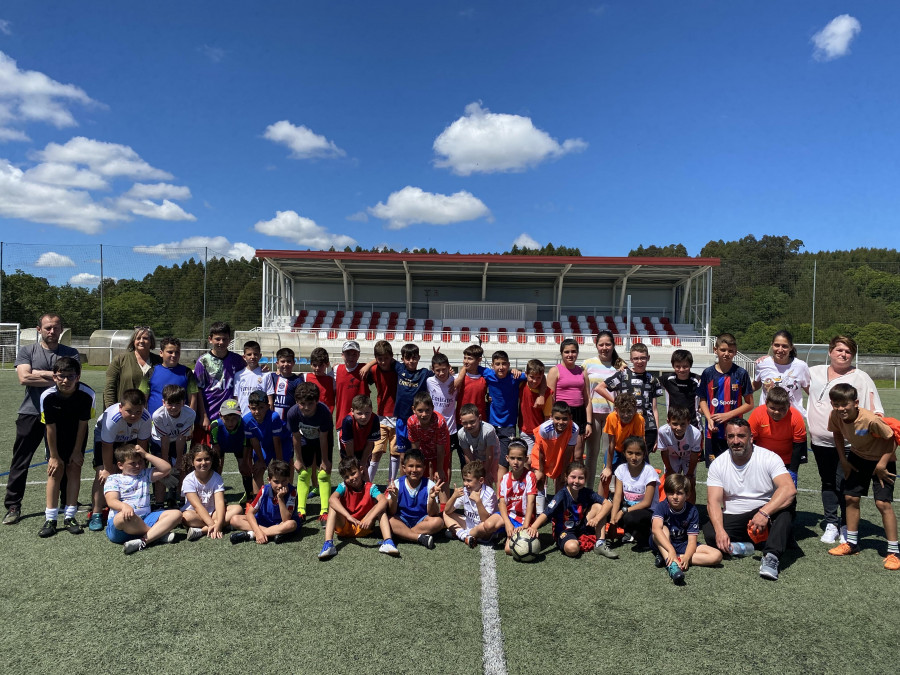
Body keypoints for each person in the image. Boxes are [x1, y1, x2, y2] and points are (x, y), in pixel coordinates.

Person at [4, 313, 80, 526]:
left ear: (61, 330)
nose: (52, 331)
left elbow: (71, 382)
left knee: (62, 459)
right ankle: (13, 505)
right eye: (47, 327)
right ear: (39, 329)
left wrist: (40, 374)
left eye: (56, 328)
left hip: (62, 415)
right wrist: (57, 375)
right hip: (30, 413)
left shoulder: (71, 353)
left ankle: (67, 503)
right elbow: (24, 378)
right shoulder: (27, 351)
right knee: (21, 460)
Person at [807, 335, 884, 544]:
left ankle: (845, 525)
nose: (843, 354)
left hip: (850, 445)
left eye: (848, 351)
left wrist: (863, 435)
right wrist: (765, 362)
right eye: (839, 350)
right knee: (828, 482)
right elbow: (788, 374)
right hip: (820, 442)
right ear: (830, 351)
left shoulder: (861, 377)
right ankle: (831, 522)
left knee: (845, 484)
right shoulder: (813, 373)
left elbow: (876, 411)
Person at [702, 419, 797, 581]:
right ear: (726, 438)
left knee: (787, 505)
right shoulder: (718, 464)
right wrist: (720, 531)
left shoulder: (768, 457)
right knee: (711, 532)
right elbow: (713, 502)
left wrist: (764, 513)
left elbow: (789, 489)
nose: (736, 441)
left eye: (741, 436)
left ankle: (771, 556)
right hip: (736, 516)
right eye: (731, 436)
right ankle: (757, 543)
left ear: (751, 437)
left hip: (765, 513)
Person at [825, 384, 898, 570]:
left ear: (855, 403)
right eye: (836, 404)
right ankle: (851, 543)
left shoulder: (870, 419)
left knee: (883, 503)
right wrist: (844, 460)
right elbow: (837, 434)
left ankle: (894, 552)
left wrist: (881, 465)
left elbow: (893, 439)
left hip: (883, 461)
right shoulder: (835, 415)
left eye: (845, 404)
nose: (840, 408)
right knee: (850, 498)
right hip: (857, 458)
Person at [37, 356, 95, 537]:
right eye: (61, 376)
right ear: (54, 377)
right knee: (55, 473)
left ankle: (70, 516)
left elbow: (83, 424)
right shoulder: (47, 396)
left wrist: (78, 450)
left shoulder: (87, 394)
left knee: (74, 470)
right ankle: (51, 518)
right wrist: (53, 456)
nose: (65, 380)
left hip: (76, 438)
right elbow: (50, 428)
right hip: (55, 440)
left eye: (71, 376)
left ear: (78, 376)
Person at [88, 389, 153, 532]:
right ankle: (97, 513)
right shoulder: (112, 418)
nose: (134, 415)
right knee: (103, 474)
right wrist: (107, 469)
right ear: (120, 407)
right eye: (129, 411)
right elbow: (107, 446)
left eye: (138, 411)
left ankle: (134, 506)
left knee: (134, 471)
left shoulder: (146, 418)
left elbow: (142, 445)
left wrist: (140, 464)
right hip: (106, 440)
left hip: (130, 438)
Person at [526, 460, 615, 559]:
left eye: (580, 478)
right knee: (572, 549)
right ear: (566, 477)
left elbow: (608, 504)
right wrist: (534, 527)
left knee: (599, 507)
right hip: (564, 531)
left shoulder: (586, 492)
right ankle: (577, 540)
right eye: (573, 477)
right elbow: (547, 512)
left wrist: (597, 519)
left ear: (585, 479)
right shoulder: (561, 495)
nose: (576, 481)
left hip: (581, 525)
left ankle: (600, 543)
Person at [103, 444, 182, 555]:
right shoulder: (114, 478)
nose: (137, 466)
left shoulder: (145, 474)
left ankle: (144, 540)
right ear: (120, 465)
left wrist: (146, 454)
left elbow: (166, 469)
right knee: (122, 517)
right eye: (132, 463)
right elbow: (111, 501)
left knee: (177, 514)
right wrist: (124, 506)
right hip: (123, 526)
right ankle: (157, 534)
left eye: (140, 462)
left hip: (145, 518)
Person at [318, 457, 399, 559]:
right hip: (344, 526)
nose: (351, 478)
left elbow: (383, 500)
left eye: (353, 473)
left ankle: (388, 541)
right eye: (346, 476)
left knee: (380, 507)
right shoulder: (343, 486)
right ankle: (328, 544)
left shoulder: (370, 487)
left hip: (363, 526)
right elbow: (332, 499)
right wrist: (349, 517)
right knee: (333, 505)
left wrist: (370, 518)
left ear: (361, 470)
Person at [650, 473, 722, 583]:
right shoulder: (662, 506)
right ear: (666, 493)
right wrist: (671, 549)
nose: (674, 497)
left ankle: (674, 558)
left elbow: (692, 541)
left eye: (679, 493)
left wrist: (687, 557)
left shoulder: (692, 510)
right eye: (671, 493)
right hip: (663, 542)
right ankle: (672, 566)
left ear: (687, 495)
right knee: (662, 529)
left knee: (717, 556)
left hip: (683, 544)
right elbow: (655, 529)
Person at [595, 342, 663, 454]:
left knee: (643, 461)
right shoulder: (623, 374)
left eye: (643, 358)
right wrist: (618, 403)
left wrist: (657, 434)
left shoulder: (652, 380)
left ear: (648, 358)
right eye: (636, 358)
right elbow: (599, 388)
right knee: (624, 459)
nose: (639, 361)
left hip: (647, 427)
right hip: (625, 424)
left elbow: (654, 409)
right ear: (631, 359)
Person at [698, 333, 754, 466]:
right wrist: (709, 418)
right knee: (714, 469)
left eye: (730, 351)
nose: (726, 353)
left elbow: (749, 404)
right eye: (723, 350)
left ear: (735, 352)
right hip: (713, 430)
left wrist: (727, 415)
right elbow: (702, 400)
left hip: (735, 431)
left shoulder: (741, 373)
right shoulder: (708, 373)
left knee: (736, 467)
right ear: (715, 350)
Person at [286, 382, 334, 523]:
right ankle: (301, 510)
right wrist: (298, 459)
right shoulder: (293, 413)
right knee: (303, 473)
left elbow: (324, 437)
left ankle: (324, 510)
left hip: (322, 441)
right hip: (305, 440)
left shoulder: (324, 412)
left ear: (317, 401)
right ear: (296, 402)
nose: (306, 407)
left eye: (310, 404)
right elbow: (295, 436)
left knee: (324, 474)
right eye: (302, 403)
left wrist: (324, 460)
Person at [194, 321, 247, 444]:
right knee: (207, 455)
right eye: (217, 339)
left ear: (229, 340)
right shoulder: (203, 362)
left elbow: (250, 374)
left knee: (236, 453)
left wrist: (262, 369)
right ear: (210, 339)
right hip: (210, 415)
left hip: (230, 417)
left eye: (225, 339)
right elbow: (198, 391)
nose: (221, 343)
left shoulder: (237, 360)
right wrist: (203, 416)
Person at [582, 331, 623, 489]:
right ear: (596, 345)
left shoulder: (620, 365)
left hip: (612, 416)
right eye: (601, 344)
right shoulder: (587, 364)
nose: (604, 348)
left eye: (608, 344)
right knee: (591, 454)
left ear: (613, 345)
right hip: (593, 415)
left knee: (610, 456)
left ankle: (608, 493)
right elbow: (584, 391)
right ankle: (588, 490)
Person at [230, 460, 300, 544]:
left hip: (281, 523)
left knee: (291, 524)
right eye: (276, 481)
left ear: (288, 479)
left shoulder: (292, 491)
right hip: (264, 522)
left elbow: (286, 519)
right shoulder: (264, 490)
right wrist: (258, 531)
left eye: (284, 481)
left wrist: (280, 498)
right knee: (234, 519)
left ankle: (251, 535)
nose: (280, 485)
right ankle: (273, 534)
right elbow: (250, 513)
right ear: (269, 480)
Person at [385, 450, 445, 549]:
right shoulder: (397, 484)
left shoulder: (430, 485)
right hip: (402, 519)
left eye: (418, 466)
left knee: (438, 522)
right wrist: (394, 498)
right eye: (411, 466)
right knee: (387, 519)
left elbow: (432, 514)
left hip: (421, 520)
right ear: (404, 468)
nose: (414, 469)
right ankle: (418, 537)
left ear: (424, 468)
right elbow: (392, 512)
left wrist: (432, 499)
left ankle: (403, 534)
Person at [547, 339, 593, 468]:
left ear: (577, 353)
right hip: (562, 415)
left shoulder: (582, 371)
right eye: (567, 352)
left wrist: (588, 422)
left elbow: (587, 398)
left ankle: (576, 486)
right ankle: (560, 486)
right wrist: (552, 418)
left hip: (579, 415)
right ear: (561, 353)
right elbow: (550, 397)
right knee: (562, 456)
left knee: (578, 456)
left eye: (573, 351)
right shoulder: (555, 371)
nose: (570, 355)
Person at [180, 445, 242, 540]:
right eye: (199, 460)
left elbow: (219, 502)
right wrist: (214, 524)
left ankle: (201, 530)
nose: (203, 463)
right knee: (185, 516)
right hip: (196, 514)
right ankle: (220, 526)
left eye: (207, 459)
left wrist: (218, 524)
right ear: (192, 462)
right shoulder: (188, 480)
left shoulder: (216, 477)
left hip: (214, 513)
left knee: (238, 509)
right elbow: (197, 506)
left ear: (212, 460)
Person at [748, 386, 806, 486]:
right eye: (772, 408)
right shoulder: (757, 414)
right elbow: (750, 441)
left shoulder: (796, 417)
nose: (777, 412)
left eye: (782, 409)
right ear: (766, 403)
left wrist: (793, 471)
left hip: (786, 461)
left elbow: (798, 446)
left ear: (789, 405)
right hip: (762, 459)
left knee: (788, 497)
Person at [149, 384, 197, 507]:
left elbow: (182, 437)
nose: (174, 407)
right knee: (162, 470)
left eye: (177, 403)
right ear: (163, 402)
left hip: (178, 440)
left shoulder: (190, 414)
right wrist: (165, 462)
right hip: (159, 441)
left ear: (183, 402)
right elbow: (164, 439)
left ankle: (181, 500)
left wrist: (180, 459)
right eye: (170, 404)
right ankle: (159, 503)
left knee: (182, 468)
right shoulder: (157, 415)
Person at [608, 436, 659, 547]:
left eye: (638, 454)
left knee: (629, 518)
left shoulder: (649, 471)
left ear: (644, 454)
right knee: (605, 510)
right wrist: (612, 520)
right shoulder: (621, 469)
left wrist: (622, 511)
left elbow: (647, 502)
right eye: (630, 453)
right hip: (627, 508)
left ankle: (646, 533)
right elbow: (617, 496)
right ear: (624, 453)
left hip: (647, 511)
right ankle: (629, 532)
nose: (634, 457)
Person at [444, 460, 504, 547]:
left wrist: (478, 501)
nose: (465, 484)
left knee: (483, 526)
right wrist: (453, 497)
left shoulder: (489, 493)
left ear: (481, 480)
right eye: (464, 480)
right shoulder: (464, 491)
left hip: (484, 531)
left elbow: (486, 520)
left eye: (469, 480)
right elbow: (448, 511)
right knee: (445, 514)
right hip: (469, 525)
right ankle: (465, 536)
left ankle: (461, 534)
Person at [139, 336, 199, 421]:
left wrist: (189, 421)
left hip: (179, 425)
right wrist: (144, 420)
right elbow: (143, 398)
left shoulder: (187, 372)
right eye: (170, 352)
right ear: (161, 353)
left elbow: (193, 399)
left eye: (177, 352)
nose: (174, 355)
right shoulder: (151, 372)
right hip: (155, 423)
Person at [753, 330, 811, 417]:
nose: (780, 349)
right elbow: (755, 385)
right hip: (767, 416)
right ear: (772, 345)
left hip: (792, 417)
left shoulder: (801, 366)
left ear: (791, 347)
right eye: (777, 345)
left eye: (784, 346)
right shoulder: (762, 364)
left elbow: (810, 391)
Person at [364, 340, 399, 483]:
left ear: (391, 357)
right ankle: (368, 484)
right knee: (376, 452)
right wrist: (370, 364)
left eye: (386, 358)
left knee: (395, 453)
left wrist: (371, 362)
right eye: (380, 359)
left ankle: (391, 483)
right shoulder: (373, 371)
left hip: (399, 417)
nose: (383, 362)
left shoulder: (398, 369)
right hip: (381, 417)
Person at [104, 325, 162, 409]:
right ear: (133, 341)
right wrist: (111, 409)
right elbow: (109, 388)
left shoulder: (159, 361)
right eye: (138, 338)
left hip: (152, 412)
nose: (141, 341)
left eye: (145, 338)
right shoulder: (120, 360)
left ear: (151, 341)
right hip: (126, 412)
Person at [498, 439, 538, 556]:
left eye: (520, 459)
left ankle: (506, 534)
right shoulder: (505, 478)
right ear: (507, 458)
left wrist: (526, 525)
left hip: (522, 519)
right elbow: (502, 503)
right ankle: (498, 533)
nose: (516, 462)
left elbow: (530, 502)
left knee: (508, 550)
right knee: (488, 525)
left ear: (526, 459)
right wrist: (507, 523)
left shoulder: (530, 476)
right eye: (512, 458)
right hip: (509, 516)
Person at [599, 393, 644, 495]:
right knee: (605, 476)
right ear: (616, 410)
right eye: (622, 411)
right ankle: (600, 503)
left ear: (635, 410)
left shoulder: (639, 419)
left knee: (636, 475)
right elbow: (611, 444)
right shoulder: (611, 418)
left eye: (629, 411)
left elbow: (638, 446)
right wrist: (608, 468)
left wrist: (634, 463)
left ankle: (629, 500)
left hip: (633, 450)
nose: (626, 415)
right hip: (616, 449)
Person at [530, 402, 579, 496]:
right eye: (557, 418)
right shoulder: (545, 428)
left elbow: (568, 452)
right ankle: (539, 507)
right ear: (551, 417)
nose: (561, 422)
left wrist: (564, 472)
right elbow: (541, 450)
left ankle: (557, 506)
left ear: (570, 417)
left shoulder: (574, 428)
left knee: (562, 480)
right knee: (539, 479)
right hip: (543, 454)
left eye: (565, 419)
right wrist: (541, 470)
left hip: (560, 455)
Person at [210, 398, 254, 502]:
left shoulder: (244, 425)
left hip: (239, 446)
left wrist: (244, 463)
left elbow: (246, 445)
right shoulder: (215, 425)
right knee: (217, 469)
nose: (230, 422)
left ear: (240, 416)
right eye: (227, 419)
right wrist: (218, 461)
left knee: (245, 469)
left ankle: (249, 495)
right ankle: (215, 494)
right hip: (221, 446)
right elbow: (215, 446)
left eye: (234, 419)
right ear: (220, 416)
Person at [406, 391, 450, 494]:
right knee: (419, 476)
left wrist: (439, 469)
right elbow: (415, 448)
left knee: (441, 479)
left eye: (427, 410)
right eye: (420, 411)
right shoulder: (411, 422)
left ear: (432, 409)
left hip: (440, 449)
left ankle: (444, 506)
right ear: (414, 410)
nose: (424, 414)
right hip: (423, 448)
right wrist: (416, 465)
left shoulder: (440, 422)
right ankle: (421, 500)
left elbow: (440, 448)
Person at [657, 405, 702, 502]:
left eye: (683, 424)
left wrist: (690, 474)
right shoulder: (662, 431)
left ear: (688, 422)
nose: (679, 428)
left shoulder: (696, 433)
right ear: (668, 422)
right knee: (671, 482)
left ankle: (690, 510)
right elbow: (664, 452)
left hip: (688, 456)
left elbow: (694, 455)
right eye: (675, 424)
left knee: (690, 484)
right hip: (671, 456)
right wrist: (669, 469)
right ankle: (669, 508)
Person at [243, 389, 286, 491]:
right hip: (264, 445)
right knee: (258, 470)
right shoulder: (246, 420)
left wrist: (279, 461)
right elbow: (254, 441)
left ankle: (284, 497)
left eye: (261, 408)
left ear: (268, 406)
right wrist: (261, 461)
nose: (257, 412)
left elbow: (277, 441)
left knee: (282, 470)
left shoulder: (273, 417)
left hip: (282, 443)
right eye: (254, 408)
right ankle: (258, 502)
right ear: (249, 407)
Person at [426, 352, 458, 483]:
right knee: (431, 462)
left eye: (444, 369)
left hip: (450, 429)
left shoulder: (455, 381)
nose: (441, 373)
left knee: (447, 462)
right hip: (432, 429)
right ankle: (432, 490)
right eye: (437, 370)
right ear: (432, 369)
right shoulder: (429, 381)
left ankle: (445, 490)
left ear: (449, 367)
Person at [457, 403, 501, 484]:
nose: (469, 425)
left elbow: (490, 454)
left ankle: (498, 495)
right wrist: (473, 470)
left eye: (472, 422)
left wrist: (487, 472)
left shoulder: (488, 430)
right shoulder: (461, 433)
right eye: (465, 423)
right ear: (461, 422)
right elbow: (467, 454)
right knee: (477, 479)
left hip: (493, 454)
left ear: (479, 418)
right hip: (477, 453)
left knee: (491, 477)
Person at [518, 359, 552, 453]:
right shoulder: (521, 385)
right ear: (526, 374)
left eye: (538, 378)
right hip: (525, 430)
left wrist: (545, 434)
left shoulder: (547, 393)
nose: (535, 381)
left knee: (538, 459)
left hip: (540, 432)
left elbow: (547, 417)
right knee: (528, 458)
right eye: (532, 377)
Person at [339, 394, 381, 470]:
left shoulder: (374, 419)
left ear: (371, 409)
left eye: (367, 413)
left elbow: (370, 444)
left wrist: (363, 462)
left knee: (364, 472)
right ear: (352, 411)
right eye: (359, 413)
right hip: (348, 450)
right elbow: (349, 445)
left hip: (364, 449)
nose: (364, 417)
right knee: (351, 473)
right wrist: (353, 464)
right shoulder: (348, 421)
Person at [662, 349, 700, 427]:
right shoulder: (667, 379)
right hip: (674, 425)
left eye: (685, 366)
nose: (681, 370)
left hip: (694, 425)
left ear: (690, 365)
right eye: (678, 366)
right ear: (673, 366)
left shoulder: (698, 380)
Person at [265, 347, 303, 420]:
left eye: (289, 361)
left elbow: (300, 402)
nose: (286, 364)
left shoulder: (297, 381)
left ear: (293, 363)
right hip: (272, 420)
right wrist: (263, 368)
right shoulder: (271, 377)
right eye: (282, 361)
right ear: (277, 363)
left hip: (289, 421)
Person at [334, 340, 367, 423]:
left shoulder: (365, 369)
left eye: (354, 354)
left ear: (358, 355)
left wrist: (369, 365)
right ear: (342, 355)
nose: (351, 357)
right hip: (342, 418)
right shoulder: (336, 369)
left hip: (362, 419)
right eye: (348, 354)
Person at [455, 343, 488, 422]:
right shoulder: (458, 378)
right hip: (462, 421)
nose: (466, 361)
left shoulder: (485, 379)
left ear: (479, 360)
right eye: (465, 358)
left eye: (470, 359)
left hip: (479, 421)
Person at [233, 340, 266, 415]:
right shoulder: (238, 375)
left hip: (260, 417)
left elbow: (269, 399)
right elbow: (236, 398)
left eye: (255, 354)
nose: (252, 357)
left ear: (260, 356)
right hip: (242, 417)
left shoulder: (266, 375)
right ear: (244, 357)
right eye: (249, 354)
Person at [306, 347, 336, 413]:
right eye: (314, 365)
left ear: (327, 364)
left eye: (321, 365)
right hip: (309, 417)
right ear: (311, 364)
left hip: (326, 417)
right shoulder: (305, 377)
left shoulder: (332, 380)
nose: (317, 368)